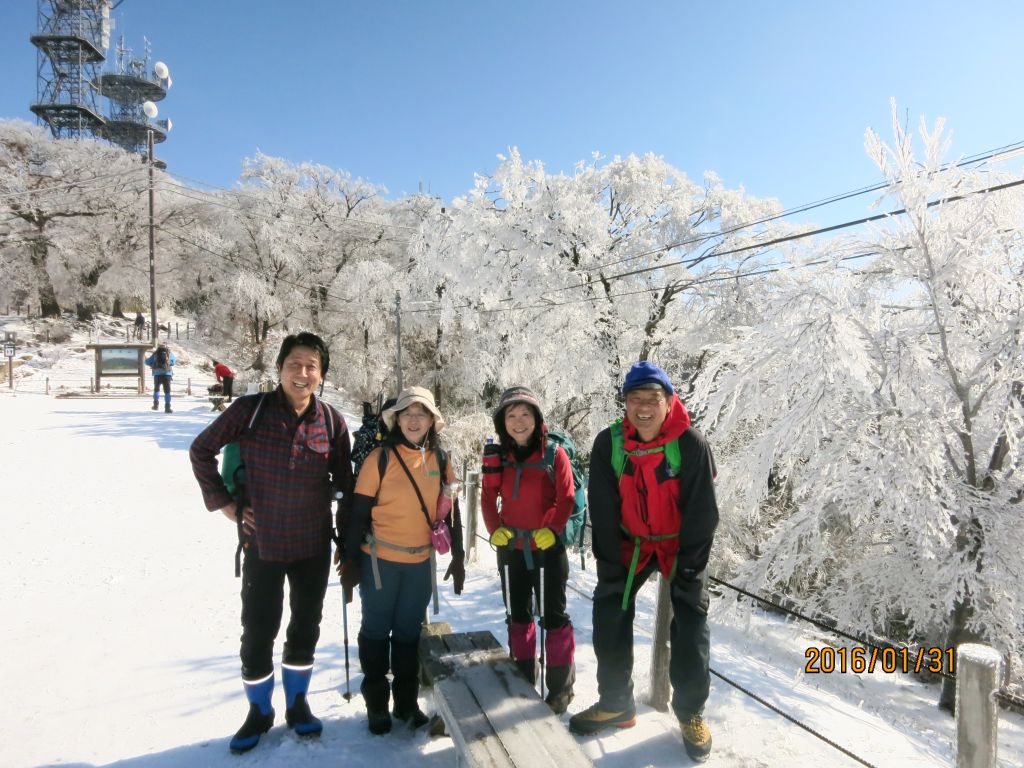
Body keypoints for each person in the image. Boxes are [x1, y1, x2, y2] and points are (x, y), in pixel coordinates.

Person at [189, 332, 353, 753]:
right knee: (258, 630)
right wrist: (226, 504)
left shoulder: (332, 423)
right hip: (262, 543)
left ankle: (297, 706)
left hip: (313, 543)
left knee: (305, 627)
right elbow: (201, 449)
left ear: (321, 375)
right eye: (294, 364)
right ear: (279, 369)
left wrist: (348, 541)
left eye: (311, 366)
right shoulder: (250, 410)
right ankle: (259, 712)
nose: (302, 373)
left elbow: (346, 485)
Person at [568, 361, 719, 763]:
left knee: (690, 619)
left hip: (679, 544)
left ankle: (690, 713)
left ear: (669, 402)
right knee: (610, 610)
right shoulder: (609, 443)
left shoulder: (690, 444)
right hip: (630, 544)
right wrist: (609, 559)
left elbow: (702, 511)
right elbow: (601, 504)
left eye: (653, 399)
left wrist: (690, 566)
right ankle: (617, 701)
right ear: (625, 404)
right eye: (635, 399)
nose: (644, 407)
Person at [341, 386, 465, 736]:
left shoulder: (441, 460)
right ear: (395, 419)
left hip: (420, 563)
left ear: (431, 421)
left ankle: (407, 704)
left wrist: (458, 556)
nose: (413, 419)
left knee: (409, 634)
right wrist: (349, 563)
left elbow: (452, 511)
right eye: (407, 413)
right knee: (377, 631)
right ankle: (377, 705)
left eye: (421, 413)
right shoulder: (378, 459)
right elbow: (359, 514)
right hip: (380, 563)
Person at [481, 386, 577, 714]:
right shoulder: (498, 457)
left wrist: (553, 530)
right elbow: (487, 496)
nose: (519, 421)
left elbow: (566, 497)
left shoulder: (554, 454)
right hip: (510, 547)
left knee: (554, 617)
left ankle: (561, 689)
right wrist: (495, 530)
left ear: (537, 419)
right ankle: (522, 679)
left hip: (548, 549)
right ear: (502, 421)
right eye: (511, 415)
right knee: (518, 615)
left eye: (525, 414)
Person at [144, 342, 176, 413]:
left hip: (157, 375)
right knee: (167, 391)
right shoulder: (169, 354)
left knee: (156, 390)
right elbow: (173, 362)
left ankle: (155, 405)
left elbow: (147, 362)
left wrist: (151, 362)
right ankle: (167, 407)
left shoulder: (155, 354)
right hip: (167, 374)